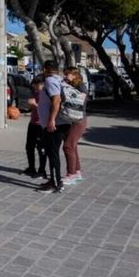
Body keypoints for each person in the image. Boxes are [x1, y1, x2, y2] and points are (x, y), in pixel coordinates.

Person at [37, 60, 71, 194]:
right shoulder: (60, 80)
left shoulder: (50, 80)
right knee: (52, 153)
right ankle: (53, 181)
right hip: (61, 122)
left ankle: (56, 184)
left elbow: (56, 100)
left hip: (55, 124)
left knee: (53, 154)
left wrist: (51, 120)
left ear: (45, 69)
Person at [62, 67, 88, 185]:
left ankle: (71, 174)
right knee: (73, 146)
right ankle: (77, 172)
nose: (66, 76)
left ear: (75, 75)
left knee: (68, 146)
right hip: (71, 120)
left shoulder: (81, 86)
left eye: (68, 74)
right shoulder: (69, 85)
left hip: (78, 120)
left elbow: (78, 101)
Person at [21, 75, 47, 179]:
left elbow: (45, 109)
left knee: (41, 148)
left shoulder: (45, 94)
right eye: (34, 85)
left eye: (37, 85)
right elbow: (34, 108)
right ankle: (31, 167)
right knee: (29, 147)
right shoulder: (36, 93)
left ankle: (42, 170)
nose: (35, 87)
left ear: (43, 84)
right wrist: (31, 106)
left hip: (41, 125)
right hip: (33, 122)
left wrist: (35, 105)